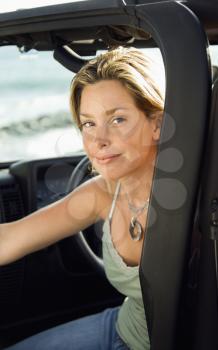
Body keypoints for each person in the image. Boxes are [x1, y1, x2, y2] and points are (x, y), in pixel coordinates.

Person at [0, 46, 164, 350]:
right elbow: (8, 239)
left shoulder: (201, 192)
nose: (98, 140)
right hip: (123, 328)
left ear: (156, 123)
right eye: (88, 123)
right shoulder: (103, 192)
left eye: (117, 120)